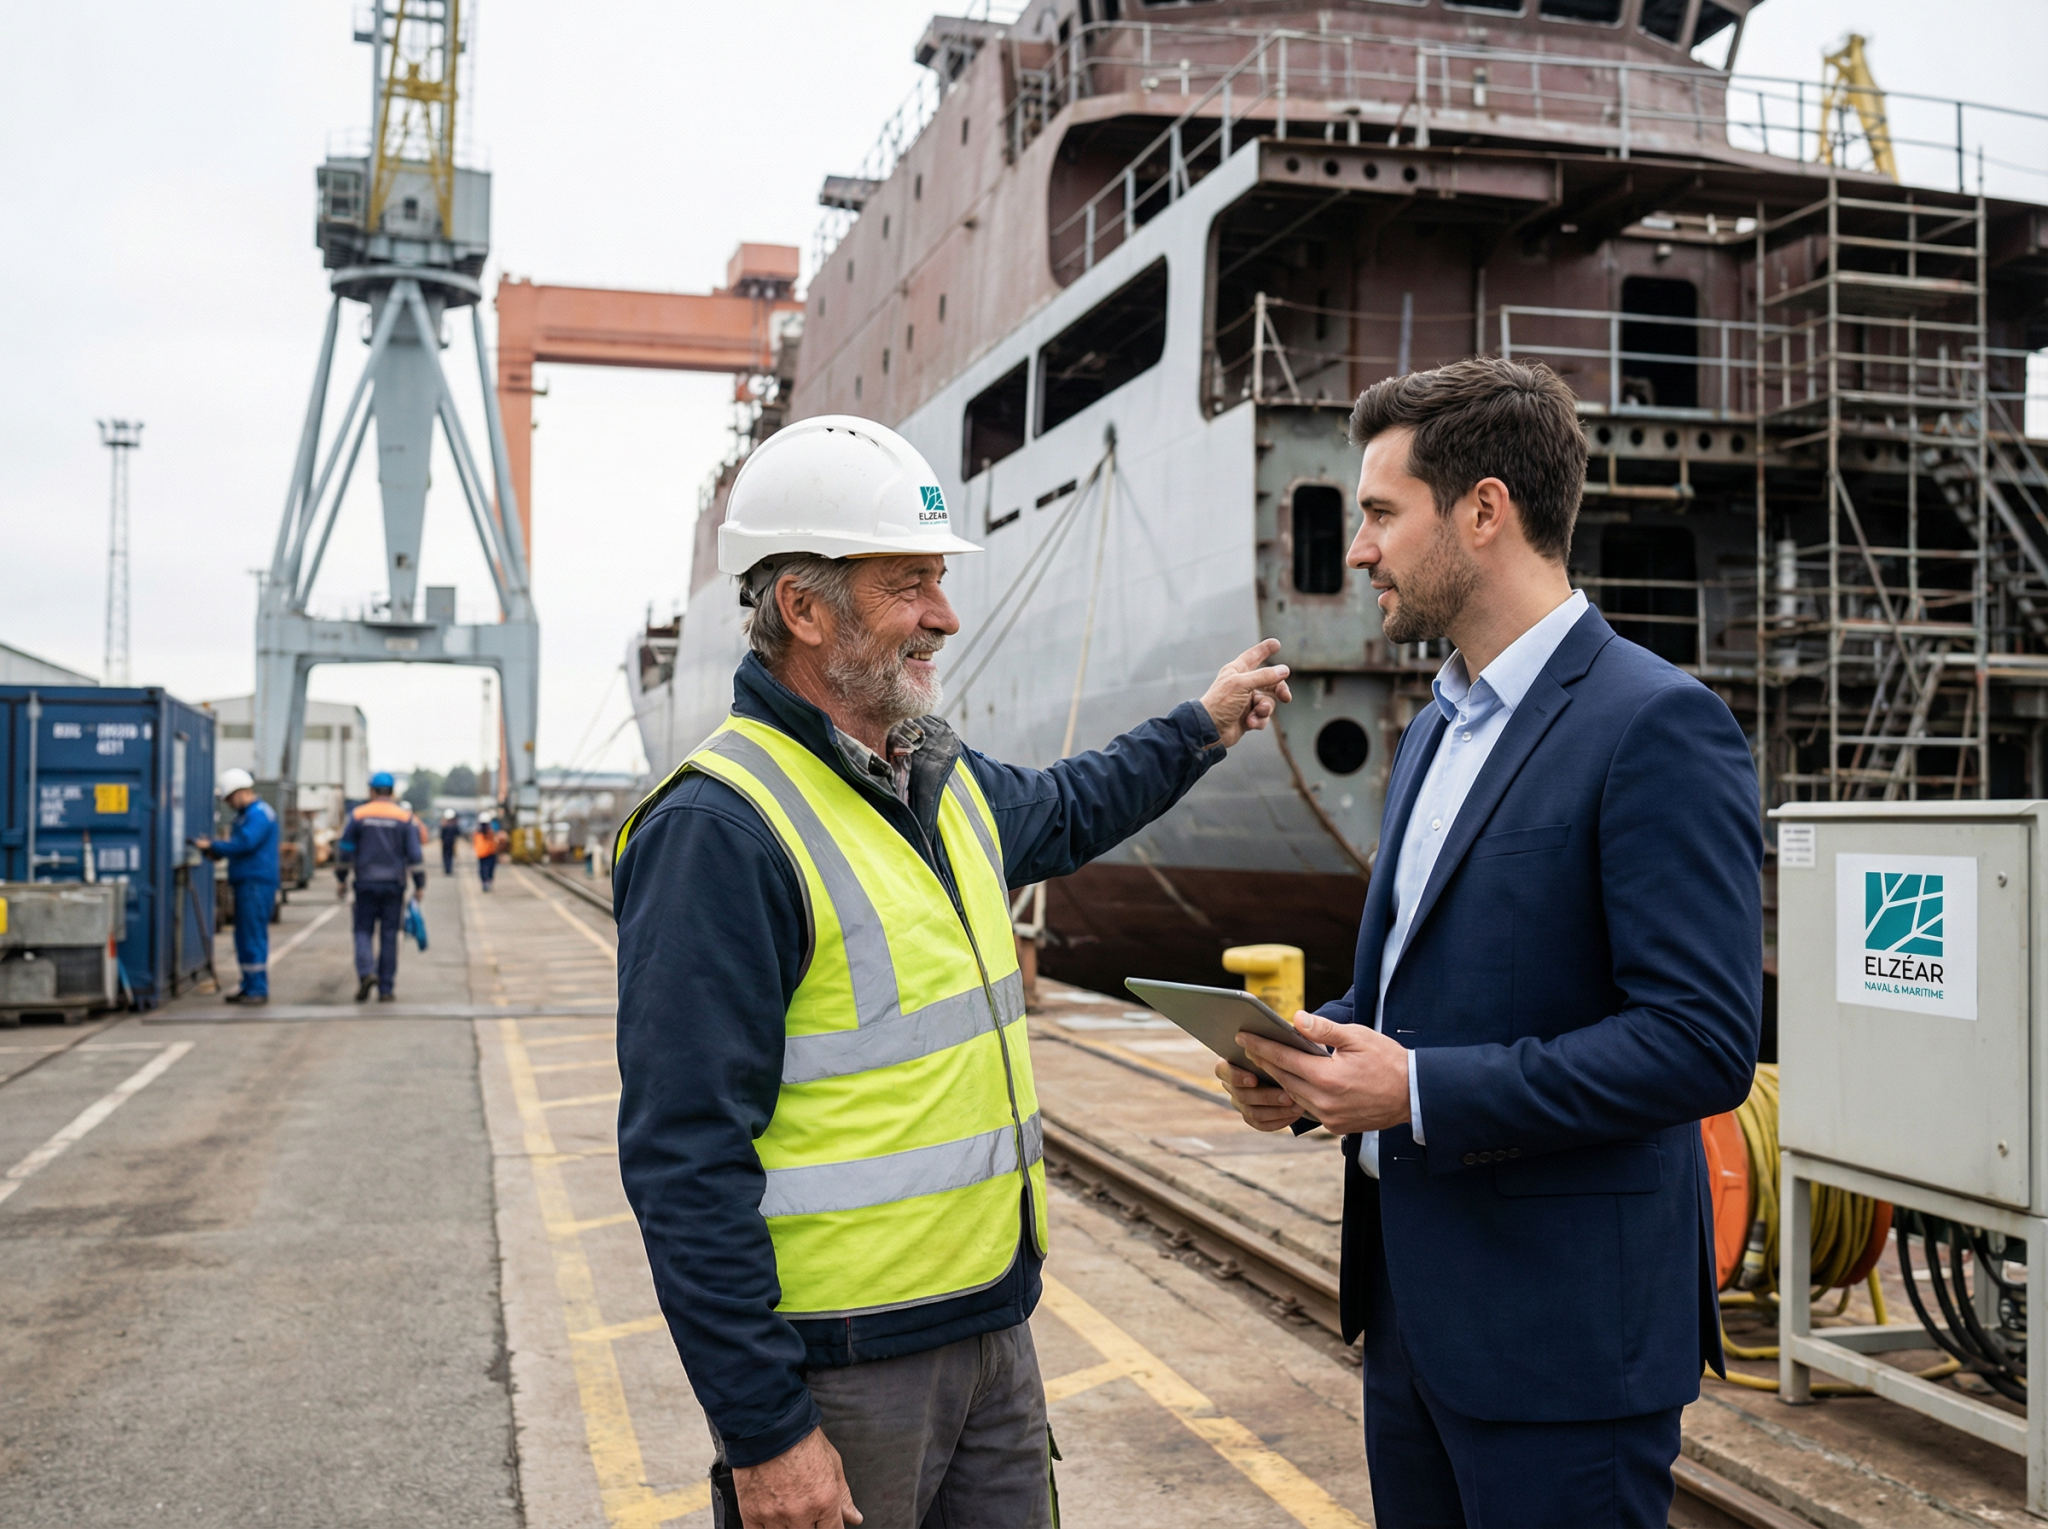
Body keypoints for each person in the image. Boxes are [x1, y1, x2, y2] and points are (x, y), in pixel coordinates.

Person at [612, 414, 1292, 1529]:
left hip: (990, 1332)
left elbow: (1070, 804)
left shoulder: (938, 776)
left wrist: (1200, 726)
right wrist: (766, 1431)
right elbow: (683, 1160)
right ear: (803, 607)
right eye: (909, 584)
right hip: (841, 1366)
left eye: (939, 579)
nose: (944, 613)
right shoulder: (720, 829)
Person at [1215, 359, 1761, 1529]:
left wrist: (1415, 1089)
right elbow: (1425, 985)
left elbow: (1700, 1042)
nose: (1357, 550)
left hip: (1563, 1345)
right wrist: (1307, 1058)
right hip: (1412, 1321)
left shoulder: (1656, 723)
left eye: (1378, 512)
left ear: (1482, 510)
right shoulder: (1436, 727)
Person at [336, 770, 427, 1002]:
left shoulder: (359, 815)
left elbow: (345, 850)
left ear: (372, 791)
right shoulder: (404, 817)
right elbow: (415, 855)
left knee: (362, 931)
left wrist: (341, 878)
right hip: (394, 885)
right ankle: (386, 989)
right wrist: (420, 884)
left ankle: (366, 972)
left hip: (365, 883)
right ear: (393, 792)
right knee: (389, 935)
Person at [191, 767, 279, 1005]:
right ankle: (249, 984)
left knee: (252, 936)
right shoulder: (246, 815)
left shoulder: (259, 814)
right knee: (244, 936)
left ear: (241, 792)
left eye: (230, 798)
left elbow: (245, 843)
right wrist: (217, 850)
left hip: (255, 883)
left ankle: (257, 988)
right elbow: (239, 846)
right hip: (247, 882)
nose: (229, 804)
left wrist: (213, 846)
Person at [472, 816, 505, 890]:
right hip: (484, 853)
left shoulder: (489, 832)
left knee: (487, 868)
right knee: (485, 869)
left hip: (488, 853)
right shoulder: (481, 833)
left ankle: (487, 881)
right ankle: (486, 881)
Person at [439, 807, 462, 876]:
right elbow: (458, 833)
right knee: (450, 856)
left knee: (446, 856)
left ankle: (447, 869)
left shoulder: (444, 825)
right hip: (451, 843)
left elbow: (441, 835)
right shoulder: (454, 825)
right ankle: (449, 869)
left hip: (446, 843)